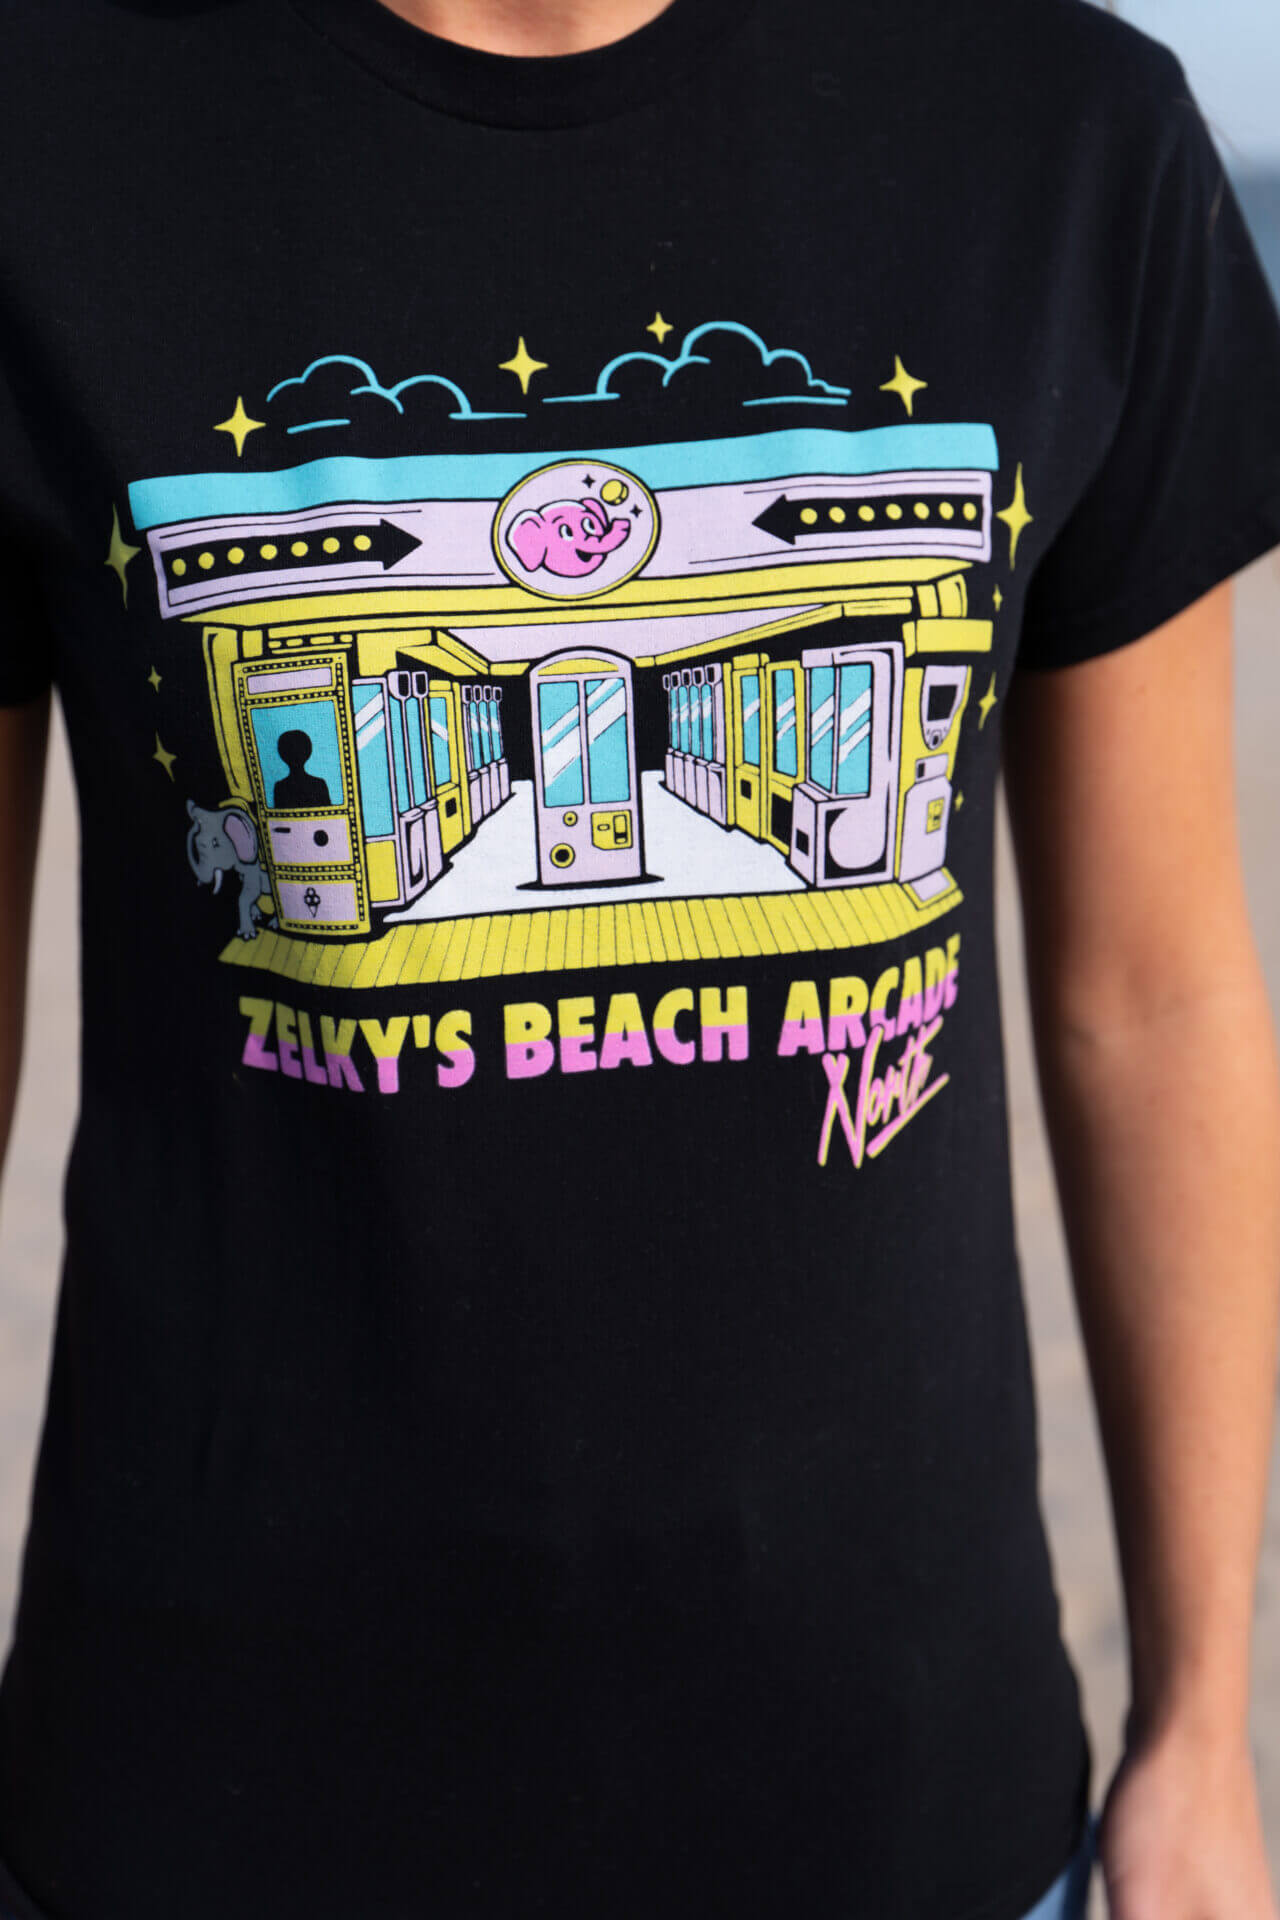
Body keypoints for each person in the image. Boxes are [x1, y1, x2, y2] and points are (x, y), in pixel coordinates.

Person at [1, 0, 1279, 1915]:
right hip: (207, 1802)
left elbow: (1153, 1001)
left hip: (905, 1809)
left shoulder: (1064, 132)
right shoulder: (51, 122)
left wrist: (1200, 1729)